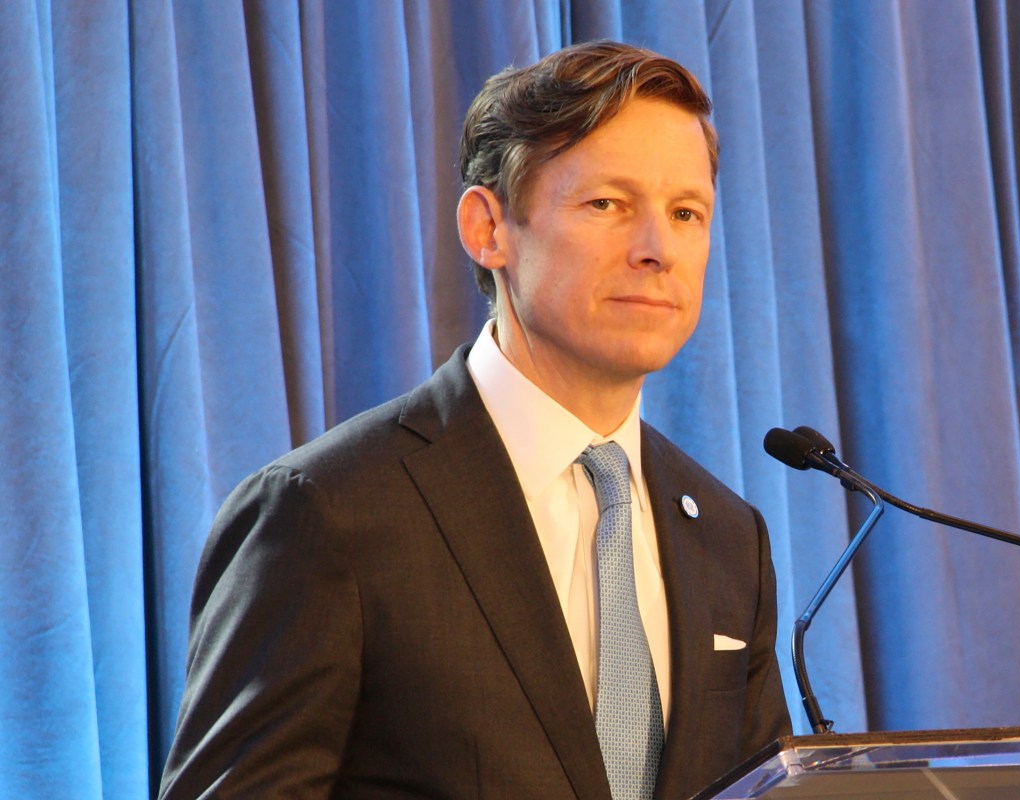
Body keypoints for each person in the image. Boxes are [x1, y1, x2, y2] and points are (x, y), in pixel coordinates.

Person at [158, 40, 790, 800]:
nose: (658, 249)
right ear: (487, 228)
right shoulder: (327, 510)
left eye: (686, 213)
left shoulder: (728, 537)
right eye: (608, 204)